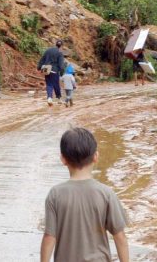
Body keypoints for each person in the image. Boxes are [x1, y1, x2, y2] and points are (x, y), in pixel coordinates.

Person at [41, 128, 129, 262]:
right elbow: (119, 235)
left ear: (63, 159)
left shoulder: (55, 194)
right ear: (96, 157)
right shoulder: (106, 193)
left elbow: (49, 237)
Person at [38, 40, 66, 106]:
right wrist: (62, 73)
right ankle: (59, 99)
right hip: (54, 70)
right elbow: (61, 65)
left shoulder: (48, 50)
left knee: (49, 84)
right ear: (61, 46)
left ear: (55, 44)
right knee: (56, 85)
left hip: (46, 69)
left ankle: (49, 98)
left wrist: (39, 67)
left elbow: (42, 59)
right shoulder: (60, 53)